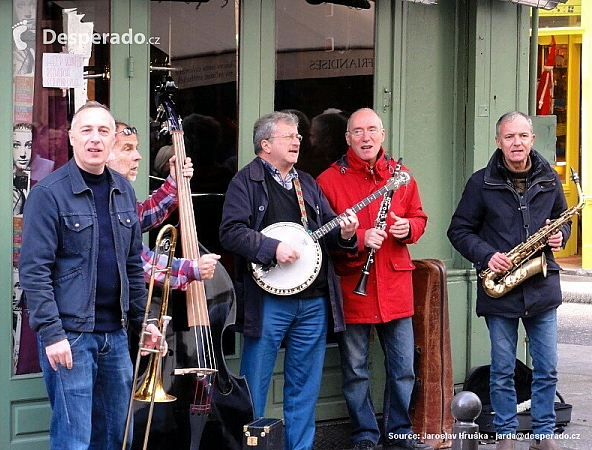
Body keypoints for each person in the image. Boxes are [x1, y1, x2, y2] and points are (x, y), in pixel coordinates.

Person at [18, 101, 164, 450]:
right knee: (74, 440)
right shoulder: (48, 194)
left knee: (117, 436)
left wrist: (146, 320)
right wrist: (52, 334)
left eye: (103, 131)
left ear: (113, 138)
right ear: (71, 137)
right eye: (86, 130)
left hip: (114, 336)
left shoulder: (123, 190)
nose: (95, 139)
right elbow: (34, 272)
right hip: (70, 336)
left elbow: (132, 263)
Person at [219, 111, 359, 450]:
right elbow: (230, 232)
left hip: (312, 300)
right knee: (255, 384)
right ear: (265, 145)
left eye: (298, 135)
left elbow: (325, 234)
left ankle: (301, 447)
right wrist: (272, 247)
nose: (298, 140)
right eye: (289, 136)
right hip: (268, 300)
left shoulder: (306, 183)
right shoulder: (246, 181)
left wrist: (346, 234)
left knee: (304, 385)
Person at [447, 111, 569, 450]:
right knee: (502, 371)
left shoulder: (549, 178)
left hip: (541, 287)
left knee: (547, 369)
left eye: (522, 136)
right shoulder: (480, 182)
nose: (516, 143)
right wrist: (486, 255)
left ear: (532, 139)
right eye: (509, 137)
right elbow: (458, 230)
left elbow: (561, 220)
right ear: (498, 141)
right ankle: (506, 436)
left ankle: (543, 436)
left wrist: (561, 234)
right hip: (500, 288)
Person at [316, 108, 430, 450]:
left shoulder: (402, 175)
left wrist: (407, 228)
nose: (365, 138)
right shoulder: (328, 180)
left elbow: (419, 217)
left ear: (382, 135)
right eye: (358, 132)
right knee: (355, 371)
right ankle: (364, 434)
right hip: (353, 285)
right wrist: (359, 237)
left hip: (395, 287)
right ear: (348, 138)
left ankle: (399, 433)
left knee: (404, 369)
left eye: (371, 131)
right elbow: (323, 237)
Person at [106, 122, 220, 289]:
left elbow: (142, 216)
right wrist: (191, 269)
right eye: (127, 148)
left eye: (136, 147)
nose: (138, 156)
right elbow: (138, 261)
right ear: (104, 153)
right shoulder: (102, 197)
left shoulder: (120, 192)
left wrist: (174, 181)